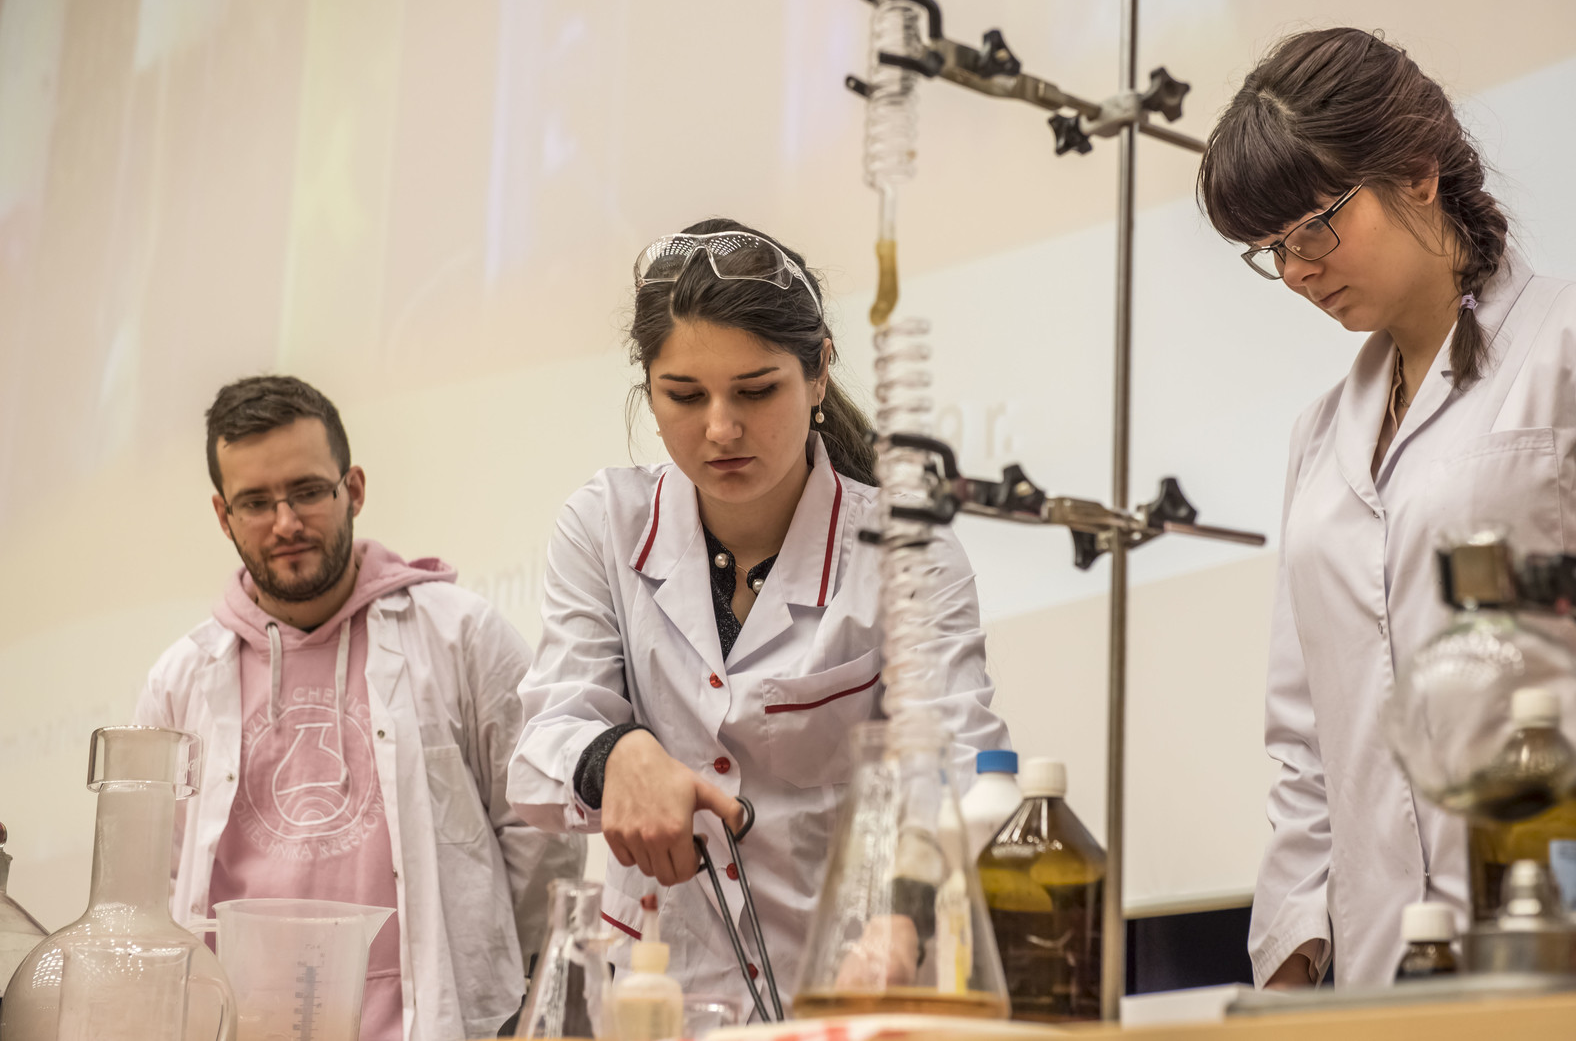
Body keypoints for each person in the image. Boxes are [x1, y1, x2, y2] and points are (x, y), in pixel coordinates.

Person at [507, 219, 1011, 1015]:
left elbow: (956, 763)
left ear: (818, 374)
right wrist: (614, 756)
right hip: (657, 996)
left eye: (756, 390)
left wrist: (904, 921)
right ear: (649, 390)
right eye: (684, 396)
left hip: (845, 987)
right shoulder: (604, 524)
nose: (720, 429)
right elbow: (544, 747)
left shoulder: (904, 549)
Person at [1198, 28, 1576, 989]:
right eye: (1271, 250)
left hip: (1565, 932)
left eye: (1314, 226)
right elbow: (1308, 741)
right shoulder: (1319, 436)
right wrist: (1291, 961)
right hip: (1382, 964)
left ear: (1418, 173)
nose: (1298, 270)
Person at [135, 376, 585, 1039]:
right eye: (255, 502)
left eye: (307, 491)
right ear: (223, 516)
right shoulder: (180, 681)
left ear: (354, 489)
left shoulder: (462, 636)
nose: (286, 523)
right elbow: (160, 877)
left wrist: (488, 982)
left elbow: (539, 830)